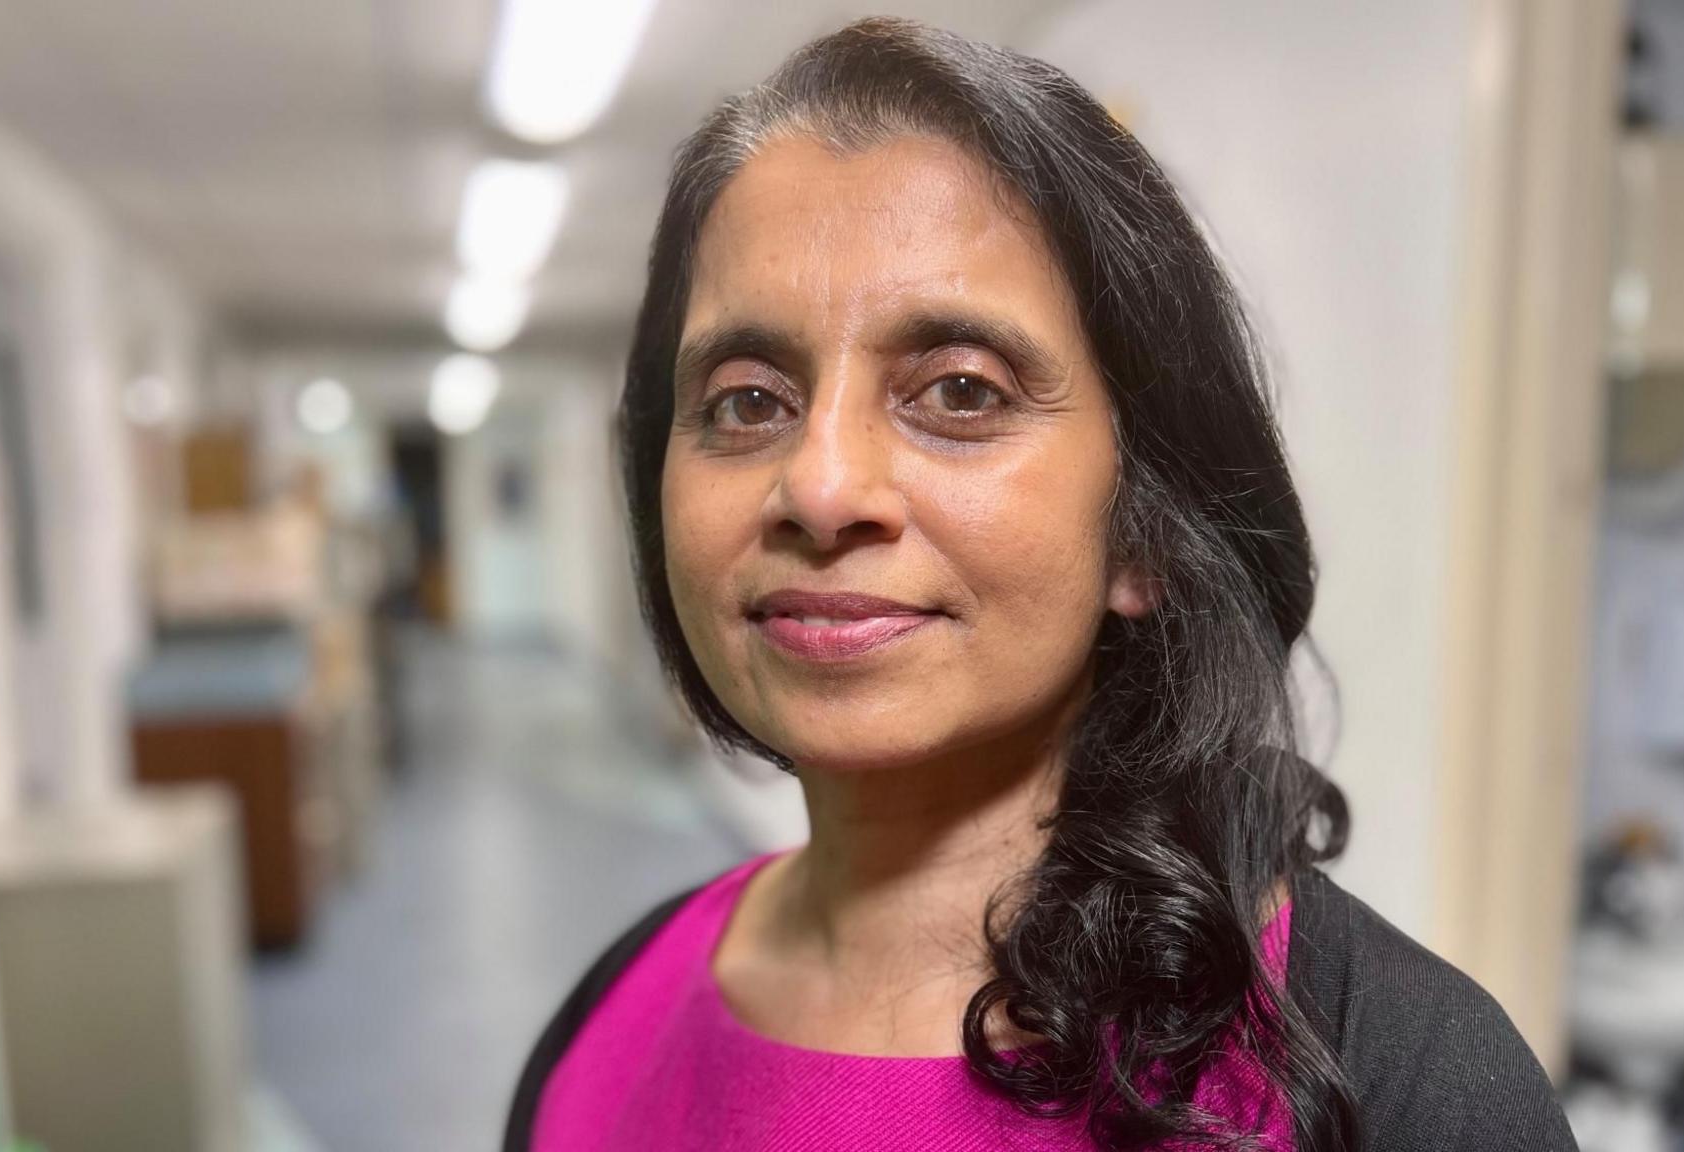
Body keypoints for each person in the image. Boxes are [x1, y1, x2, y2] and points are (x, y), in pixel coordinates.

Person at [504, 16, 1575, 1152]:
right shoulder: (610, 1019)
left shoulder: (1399, 1078)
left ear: (1143, 531)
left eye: (959, 392)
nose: (817, 488)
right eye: (746, 400)